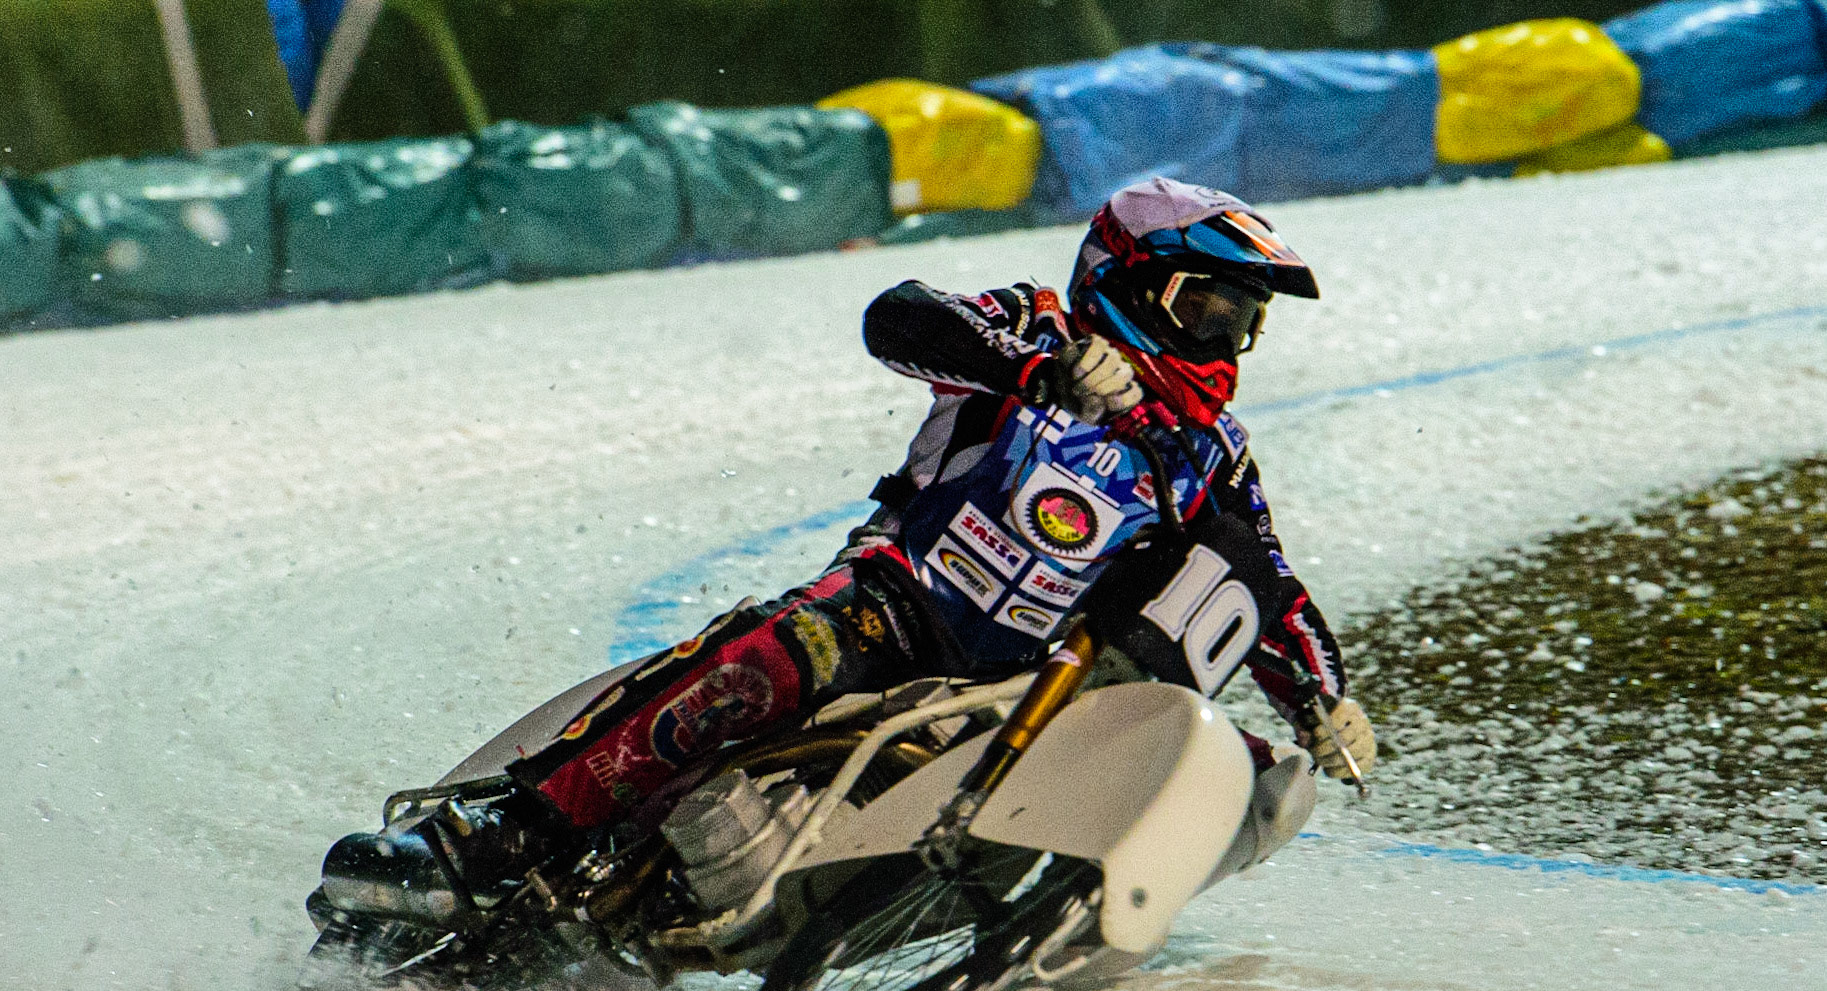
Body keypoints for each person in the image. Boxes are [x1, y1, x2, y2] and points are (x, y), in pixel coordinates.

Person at [346, 177, 1377, 896]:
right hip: (904, 601)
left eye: (1238, 322)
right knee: (787, 649)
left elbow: (1262, 588)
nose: (1219, 340)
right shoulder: (1036, 322)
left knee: (1223, 750)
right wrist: (1035, 372)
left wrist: (1324, 696)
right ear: (1131, 281)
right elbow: (904, 316)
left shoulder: (1215, 455)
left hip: (1044, 675)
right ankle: (503, 832)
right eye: (1202, 307)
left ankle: (1053, 898)